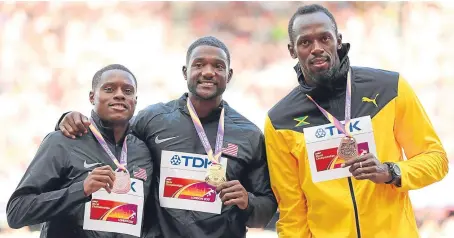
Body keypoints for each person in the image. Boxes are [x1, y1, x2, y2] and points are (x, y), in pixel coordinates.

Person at [54, 36, 277, 238]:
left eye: (218, 66)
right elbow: (108, 137)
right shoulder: (154, 119)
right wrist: (68, 118)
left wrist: (249, 202)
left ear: (228, 75)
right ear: (185, 72)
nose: (208, 72)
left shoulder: (249, 134)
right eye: (199, 65)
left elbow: (266, 208)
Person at [264, 4, 448, 238]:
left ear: (338, 40)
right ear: (292, 50)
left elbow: (436, 159)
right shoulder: (280, 120)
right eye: (305, 42)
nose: (317, 48)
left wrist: (391, 171)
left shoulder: (389, 88)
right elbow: (292, 213)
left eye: (324, 38)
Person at [7, 64, 153, 238]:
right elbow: (16, 212)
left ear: (135, 100)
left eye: (128, 91)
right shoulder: (63, 141)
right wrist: (81, 190)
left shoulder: (143, 150)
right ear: (92, 97)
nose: (120, 94)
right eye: (109, 89)